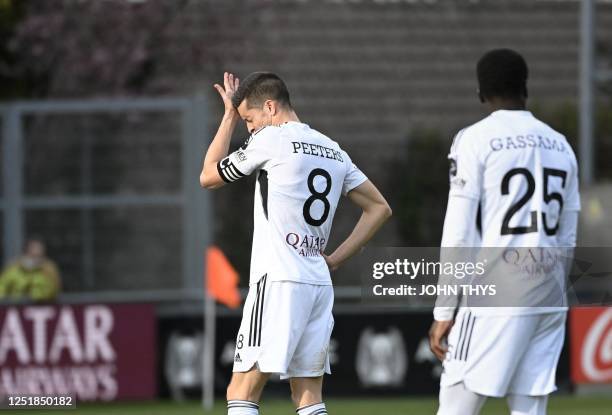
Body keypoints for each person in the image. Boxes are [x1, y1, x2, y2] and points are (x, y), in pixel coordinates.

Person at [200, 72, 391, 415]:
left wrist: (227, 115)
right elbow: (379, 208)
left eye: (250, 119)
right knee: (307, 396)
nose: (250, 129)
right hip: (317, 282)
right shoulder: (333, 149)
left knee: (241, 390)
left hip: (278, 281)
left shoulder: (271, 141)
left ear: (270, 107)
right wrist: (334, 260)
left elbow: (208, 176)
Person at [429, 49, 580, 415]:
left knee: (455, 404)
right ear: (525, 88)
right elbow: (569, 235)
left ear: (480, 92)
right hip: (549, 292)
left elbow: (460, 232)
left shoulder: (474, 139)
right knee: (530, 408)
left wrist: (444, 308)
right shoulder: (561, 144)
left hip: (496, 290)